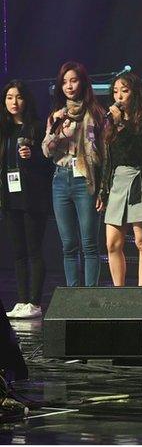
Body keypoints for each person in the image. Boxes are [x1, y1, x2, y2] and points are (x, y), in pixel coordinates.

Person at [43, 62, 106, 287]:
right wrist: (59, 135)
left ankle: (89, 299)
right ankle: (72, 296)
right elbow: (46, 150)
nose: (69, 86)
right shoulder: (56, 116)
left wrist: (102, 190)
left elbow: (104, 155)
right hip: (60, 180)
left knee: (89, 244)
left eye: (74, 80)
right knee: (68, 245)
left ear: (82, 83)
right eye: (64, 82)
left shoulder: (95, 114)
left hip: (85, 181)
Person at [99, 73, 142, 286]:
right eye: (115, 91)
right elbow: (108, 160)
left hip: (140, 180)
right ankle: (120, 291)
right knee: (112, 243)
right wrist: (103, 190)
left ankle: (141, 292)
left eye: (124, 91)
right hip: (118, 182)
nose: (119, 96)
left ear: (135, 93)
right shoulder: (111, 123)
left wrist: (122, 126)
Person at [1, 81, 52, 319]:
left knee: (34, 251)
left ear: (26, 100)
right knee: (18, 252)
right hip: (10, 198)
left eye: (18, 97)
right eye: (9, 97)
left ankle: (35, 301)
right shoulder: (4, 130)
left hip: (33, 197)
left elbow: (48, 163)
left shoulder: (37, 128)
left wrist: (32, 157)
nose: (13, 102)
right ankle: (21, 301)